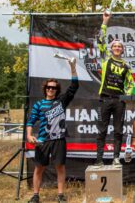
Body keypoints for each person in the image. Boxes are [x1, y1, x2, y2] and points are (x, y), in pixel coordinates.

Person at [27, 59, 79, 203]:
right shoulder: (39, 104)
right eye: (49, 87)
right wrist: (29, 135)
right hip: (43, 140)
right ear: (45, 89)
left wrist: (73, 67)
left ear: (57, 90)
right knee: (39, 168)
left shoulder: (61, 101)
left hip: (59, 140)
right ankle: (35, 195)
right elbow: (31, 121)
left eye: (54, 88)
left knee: (60, 167)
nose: (51, 89)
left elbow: (74, 86)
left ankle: (61, 195)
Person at [94, 11, 134, 168]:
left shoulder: (126, 66)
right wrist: (105, 22)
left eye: (119, 46)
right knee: (102, 131)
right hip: (105, 98)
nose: (117, 48)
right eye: (115, 46)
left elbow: (130, 84)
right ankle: (99, 159)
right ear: (111, 49)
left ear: (122, 50)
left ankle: (116, 158)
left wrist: (127, 95)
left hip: (119, 101)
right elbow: (100, 40)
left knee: (118, 131)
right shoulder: (105, 59)